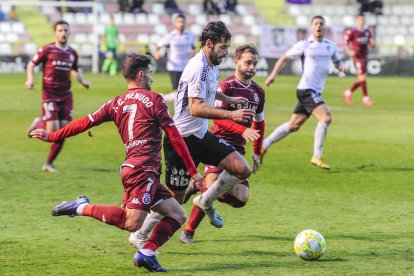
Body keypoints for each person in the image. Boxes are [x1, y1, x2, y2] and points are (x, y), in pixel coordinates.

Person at [29, 54, 203, 273]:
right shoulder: (155, 99)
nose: (152, 78)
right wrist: (193, 171)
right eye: (150, 73)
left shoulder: (115, 102)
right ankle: (80, 206)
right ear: (141, 75)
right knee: (132, 223)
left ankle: (146, 254)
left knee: (177, 214)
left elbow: (85, 122)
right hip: (141, 170)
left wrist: (53, 135)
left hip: (141, 171)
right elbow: (175, 136)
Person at [128, 21, 255, 248]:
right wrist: (231, 115)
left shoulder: (211, 64)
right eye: (223, 47)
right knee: (174, 200)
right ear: (209, 43)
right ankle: (139, 234)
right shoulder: (198, 67)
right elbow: (196, 107)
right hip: (181, 141)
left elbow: (210, 89)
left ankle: (206, 200)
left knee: (242, 168)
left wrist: (229, 99)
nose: (226, 53)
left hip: (200, 136)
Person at [180, 43, 265, 243]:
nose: (252, 67)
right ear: (236, 62)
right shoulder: (225, 86)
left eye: (255, 63)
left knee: (240, 199)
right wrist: (243, 129)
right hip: (217, 143)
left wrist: (256, 151)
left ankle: (198, 187)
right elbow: (217, 119)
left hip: (238, 149)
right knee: (212, 188)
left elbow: (260, 122)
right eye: (248, 62)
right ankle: (188, 232)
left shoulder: (258, 92)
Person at [262, 15, 346, 170]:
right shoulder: (305, 44)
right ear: (311, 27)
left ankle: (264, 145)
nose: (319, 26)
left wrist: (341, 66)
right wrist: (273, 75)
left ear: (325, 27)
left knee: (294, 125)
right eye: (316, 24)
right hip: (306, 89)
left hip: (314, 92)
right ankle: (317, 155)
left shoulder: (330, 45)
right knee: (326, 117)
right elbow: (284, 58)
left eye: (321, 23)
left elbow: (336, 60)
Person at [25, 20, 90, 173]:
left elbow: (74, 70)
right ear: (55, 32)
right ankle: (38, 124)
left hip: (66, 95)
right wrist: (30, 79)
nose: (63, 33)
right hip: (50, 94)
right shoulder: (47, 49)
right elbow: (31, 64)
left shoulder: (72, 52)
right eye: (60, 30)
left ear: (69, 33)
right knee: (52, 130)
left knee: (64, 130)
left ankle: (48, 163)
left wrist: (83, 81)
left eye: (66, 30)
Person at [153, 14, 196, 103]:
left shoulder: (190, 35)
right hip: (174, 67)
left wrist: (193, 52)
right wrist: (156, 53)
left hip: (186, 67)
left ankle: (164, 97)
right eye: (179, 22)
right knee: (177, 92)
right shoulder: (170, 36)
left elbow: (193, 48)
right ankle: (165, 100)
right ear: (175, 24)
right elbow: (157, 46)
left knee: (186, 91)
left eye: (183, 22)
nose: (181, 24)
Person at [342, 14, 375, 106]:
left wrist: (372, 43)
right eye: (359, 19)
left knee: (361, 78)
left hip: (365, 56)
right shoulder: (352, 31)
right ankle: (365, 98)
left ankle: (348, 92)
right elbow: (345, 43)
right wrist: (349, 52)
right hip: (357, 57)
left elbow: (371, 42)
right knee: (362, 77)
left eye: (362, 19)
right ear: (357, 20)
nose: (361, 21)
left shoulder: (367, 31)